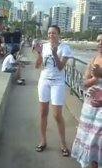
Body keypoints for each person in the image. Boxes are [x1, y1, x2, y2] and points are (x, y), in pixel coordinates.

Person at [34, 25, 73, 157]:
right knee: (43, 113)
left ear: (59, 34)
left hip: (57, 82)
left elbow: (61, 67)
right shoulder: (44, 46)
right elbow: (37, 65)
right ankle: (43, 141)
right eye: (49, 33)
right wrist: (39, 53)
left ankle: (63, 144)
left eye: (54, 33)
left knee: (57, 115)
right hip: (44, 81)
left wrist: (55, 53)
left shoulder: (65, 48)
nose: (51, 35)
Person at [71, 33, 102, 168]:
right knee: (90, 142)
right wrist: (95, 79)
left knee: (99, 141)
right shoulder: (94, 59)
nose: (100, 43)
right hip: (90, 109)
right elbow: (84, 82)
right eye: (98, 40)